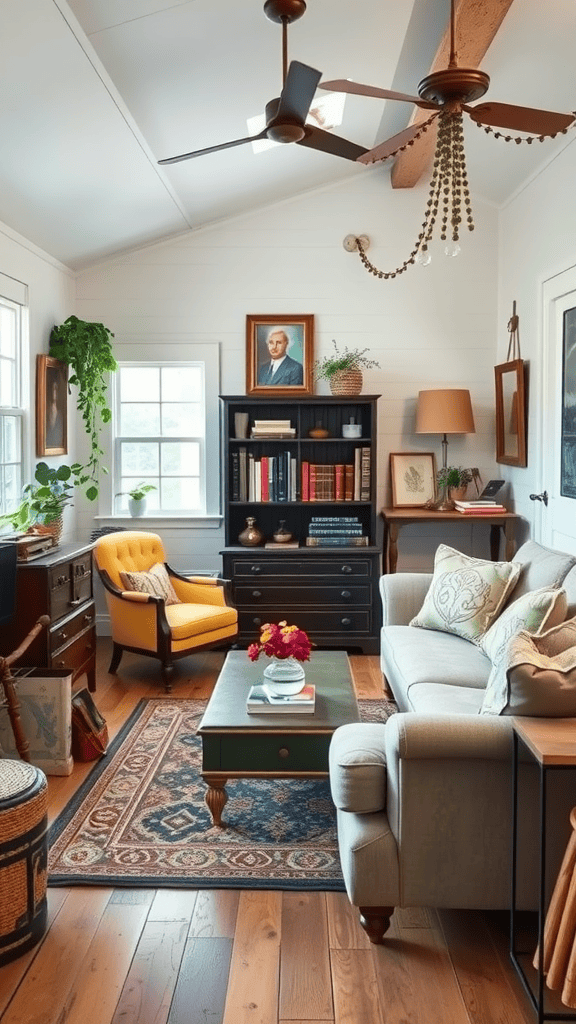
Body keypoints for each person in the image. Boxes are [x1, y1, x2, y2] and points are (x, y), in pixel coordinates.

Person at [45, 370, 64, 448]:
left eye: (56, 388)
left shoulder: (61, 415)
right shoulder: (44, 413)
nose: (54, 391)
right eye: (52, 388)